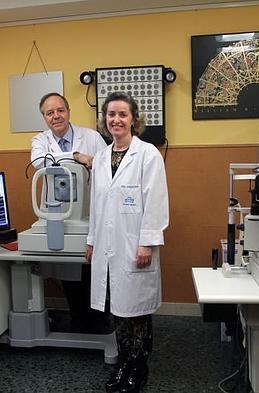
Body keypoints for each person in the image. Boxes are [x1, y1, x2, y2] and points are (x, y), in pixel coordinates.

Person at [86, 91, 169, 393]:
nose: (116, 120)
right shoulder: (100, 158)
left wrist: (147, 242)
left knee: (136, 313)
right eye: (111, 115)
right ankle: (123, 364)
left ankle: (138, 369)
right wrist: (92, 240)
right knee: (117, 311)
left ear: (134, 119)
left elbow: (156, 202)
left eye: (122, 114)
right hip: (109, 247)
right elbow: (95, 206)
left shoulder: (148, 154)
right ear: (104, 120)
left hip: (135, 245)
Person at [31, 92, 108, 333]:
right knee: (67, 269)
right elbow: (39, 162)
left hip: (89, 210)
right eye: (50, 113)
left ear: (68, 111)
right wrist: (77, 157)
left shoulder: (92, 137)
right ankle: (78, 319)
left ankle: (98, 320)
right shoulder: (40, 140)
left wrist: (88, 159)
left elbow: (105, 164)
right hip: (58, 213)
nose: (56, 116)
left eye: (60, 110)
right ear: (44, 117)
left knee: (91, 267)